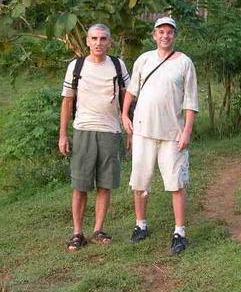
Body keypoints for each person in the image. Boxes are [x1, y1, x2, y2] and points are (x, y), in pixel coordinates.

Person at [122, 16, 198, 255]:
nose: (165, 36)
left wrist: (186, 131)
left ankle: (179, 232)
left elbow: (190, 101)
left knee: (176, 183)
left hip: (172, 135)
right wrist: (125, 115)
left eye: (169, 32)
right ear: (154, 35)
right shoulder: (144, 60)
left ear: (174, 36)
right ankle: (140, 225)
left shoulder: (185, 63)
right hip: (143, 131)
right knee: (140, 181)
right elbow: (131, 90)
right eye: (161, 32)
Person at [58, 23, 130, 251]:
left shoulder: (118, 65)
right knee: (80, 185)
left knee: (105, 184)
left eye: (103, 38)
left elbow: (128, 98)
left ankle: (98, 229)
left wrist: (130, 130)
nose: (99, 43)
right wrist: (63, 134)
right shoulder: (76, 66)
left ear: (110, 42)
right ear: (87, 41)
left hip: (110, 131)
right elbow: (67, 100)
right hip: (83, 130)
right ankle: (77, 232)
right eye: (94, 38)